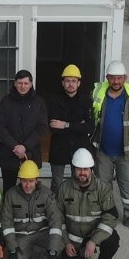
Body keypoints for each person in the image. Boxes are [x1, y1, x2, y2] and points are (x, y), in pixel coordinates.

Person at [90, 60, 129, 234]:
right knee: (102, 186)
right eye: (112, 78)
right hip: (103, 152)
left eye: (119, 78)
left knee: (128, 185)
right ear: (107, 78)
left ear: (125, 78)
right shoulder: (97, 94)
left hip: (126, 153)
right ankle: (106, 216)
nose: (116, 81)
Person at [57, 148, 119, 259]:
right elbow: (57, 218)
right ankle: (81, 252)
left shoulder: (102, 188)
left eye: (85, 169)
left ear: (91, 169)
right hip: (73, 238)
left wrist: (94, 240)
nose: (82, 173)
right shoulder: (64, 188)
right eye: (79, 169)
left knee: (112, 240)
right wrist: (66, 242)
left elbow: (112, 216)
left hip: (94, 234)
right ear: (73, 169)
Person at [0, 160, 63, 259]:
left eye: (31, 181)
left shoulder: (46, 194)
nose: (27, 185)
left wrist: (53, 246)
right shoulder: (11, 194)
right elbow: (6, 222)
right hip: (22, 235)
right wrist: (12, 246)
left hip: (42, 233)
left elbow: (56, 220)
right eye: (24, 181)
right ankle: (26, 254)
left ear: (37, 179)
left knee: (59, 245)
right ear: (19, 179)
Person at [0, 69, 48, 192]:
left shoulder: (39, 102)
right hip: (9, 154)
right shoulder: (5, 101)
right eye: (20, 83)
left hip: (31, 154)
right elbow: (0, 128)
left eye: (26, 83)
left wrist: (25, 146)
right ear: (14, 83)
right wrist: (15, 146)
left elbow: (42, 127)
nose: (23, 86)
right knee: (8, 190)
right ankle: (7, 211)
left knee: (30, 189)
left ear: (31, 84)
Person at [47, 64, 94, 196]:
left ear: (79, 83)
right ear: (63, 83)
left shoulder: (86, 100)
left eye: (74, 81)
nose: (70, 84)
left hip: (80, 148)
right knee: (57, 182)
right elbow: (54, 128)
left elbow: (90, 127)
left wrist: (66, 125)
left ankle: (76, 208)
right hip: (59, 147)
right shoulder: (55, 100)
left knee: (79, 181)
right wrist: (79, 125)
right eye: (67, 81)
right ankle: (55, 209)